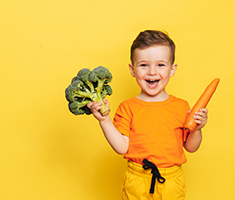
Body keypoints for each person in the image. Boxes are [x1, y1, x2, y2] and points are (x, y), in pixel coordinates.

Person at [88, 30, 208, 200]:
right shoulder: (127, 107)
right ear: (132, 69)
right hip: (137, 180)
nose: (152, 72)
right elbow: (122, 147)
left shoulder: (182, 106)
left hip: (171, 181)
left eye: (160, 65)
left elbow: (191, 147)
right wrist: (105, 120)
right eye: (144, 65)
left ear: (172, 69)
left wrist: (197, 129)